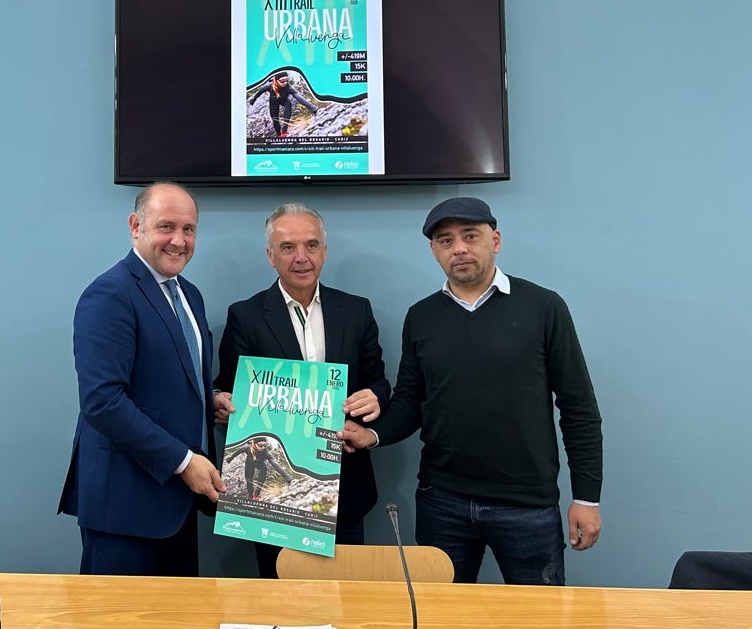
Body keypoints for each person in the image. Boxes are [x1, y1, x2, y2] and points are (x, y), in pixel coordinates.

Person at [340, 196, 603, 586]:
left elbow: (578, 407)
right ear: (434, 251)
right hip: (442, 501)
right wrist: (374, 435)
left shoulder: (543, 307)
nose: (459, 248)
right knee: (439, 617)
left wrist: (586, 498)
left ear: (495, 240)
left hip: (527, 504)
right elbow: (411, 400)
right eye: (445, 240)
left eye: (470, 236)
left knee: (538, 618)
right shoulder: (422, 316)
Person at [214, 202, 390, 578]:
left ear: (325, 251)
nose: (301, 258)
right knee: (281, 602)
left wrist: (375, 397)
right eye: (287, 247)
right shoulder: (245, 315)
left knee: (345, 603)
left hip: (343, 486)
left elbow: (378, 381)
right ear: (270, 256)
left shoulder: (356, 311)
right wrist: (221, 403)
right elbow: (227, 390)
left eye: (311, 245)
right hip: (274, 499)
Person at [58, 182, 224, 576]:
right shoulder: (109, 294)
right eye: (166, 227)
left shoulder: (190, 294)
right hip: (126, 507)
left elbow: (172, 378)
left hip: (178, 503)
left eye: (189, 230)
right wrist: (184, 462)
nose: (179, 241)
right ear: (136, 226)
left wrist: (209, 397)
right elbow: (103, 402)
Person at [248, 70, 319, 137]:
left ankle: (284, 131)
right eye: (282, 81)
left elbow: (300, 99)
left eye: (287, 80)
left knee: (289, 104)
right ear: (276, 80)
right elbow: (259, 93)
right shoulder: (269, 86)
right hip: (273, 102)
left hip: (284, 100)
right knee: (275, 119)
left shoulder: (289, 88)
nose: (285, 83)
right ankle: (279, 134)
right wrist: (253, 100)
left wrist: (314, 108)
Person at [224, 436, 293, 501]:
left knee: (264, 469)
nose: (263, 447)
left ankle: (257, 493)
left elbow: (276, 465)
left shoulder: (266, 453)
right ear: (254, 444)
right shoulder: (247, 448)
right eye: (260, 445)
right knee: (249, 480)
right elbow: (237, 452)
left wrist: (288, 478)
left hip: (259, 464)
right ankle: (251, 497)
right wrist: (230, 459)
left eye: (265, 445)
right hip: (250, 463)